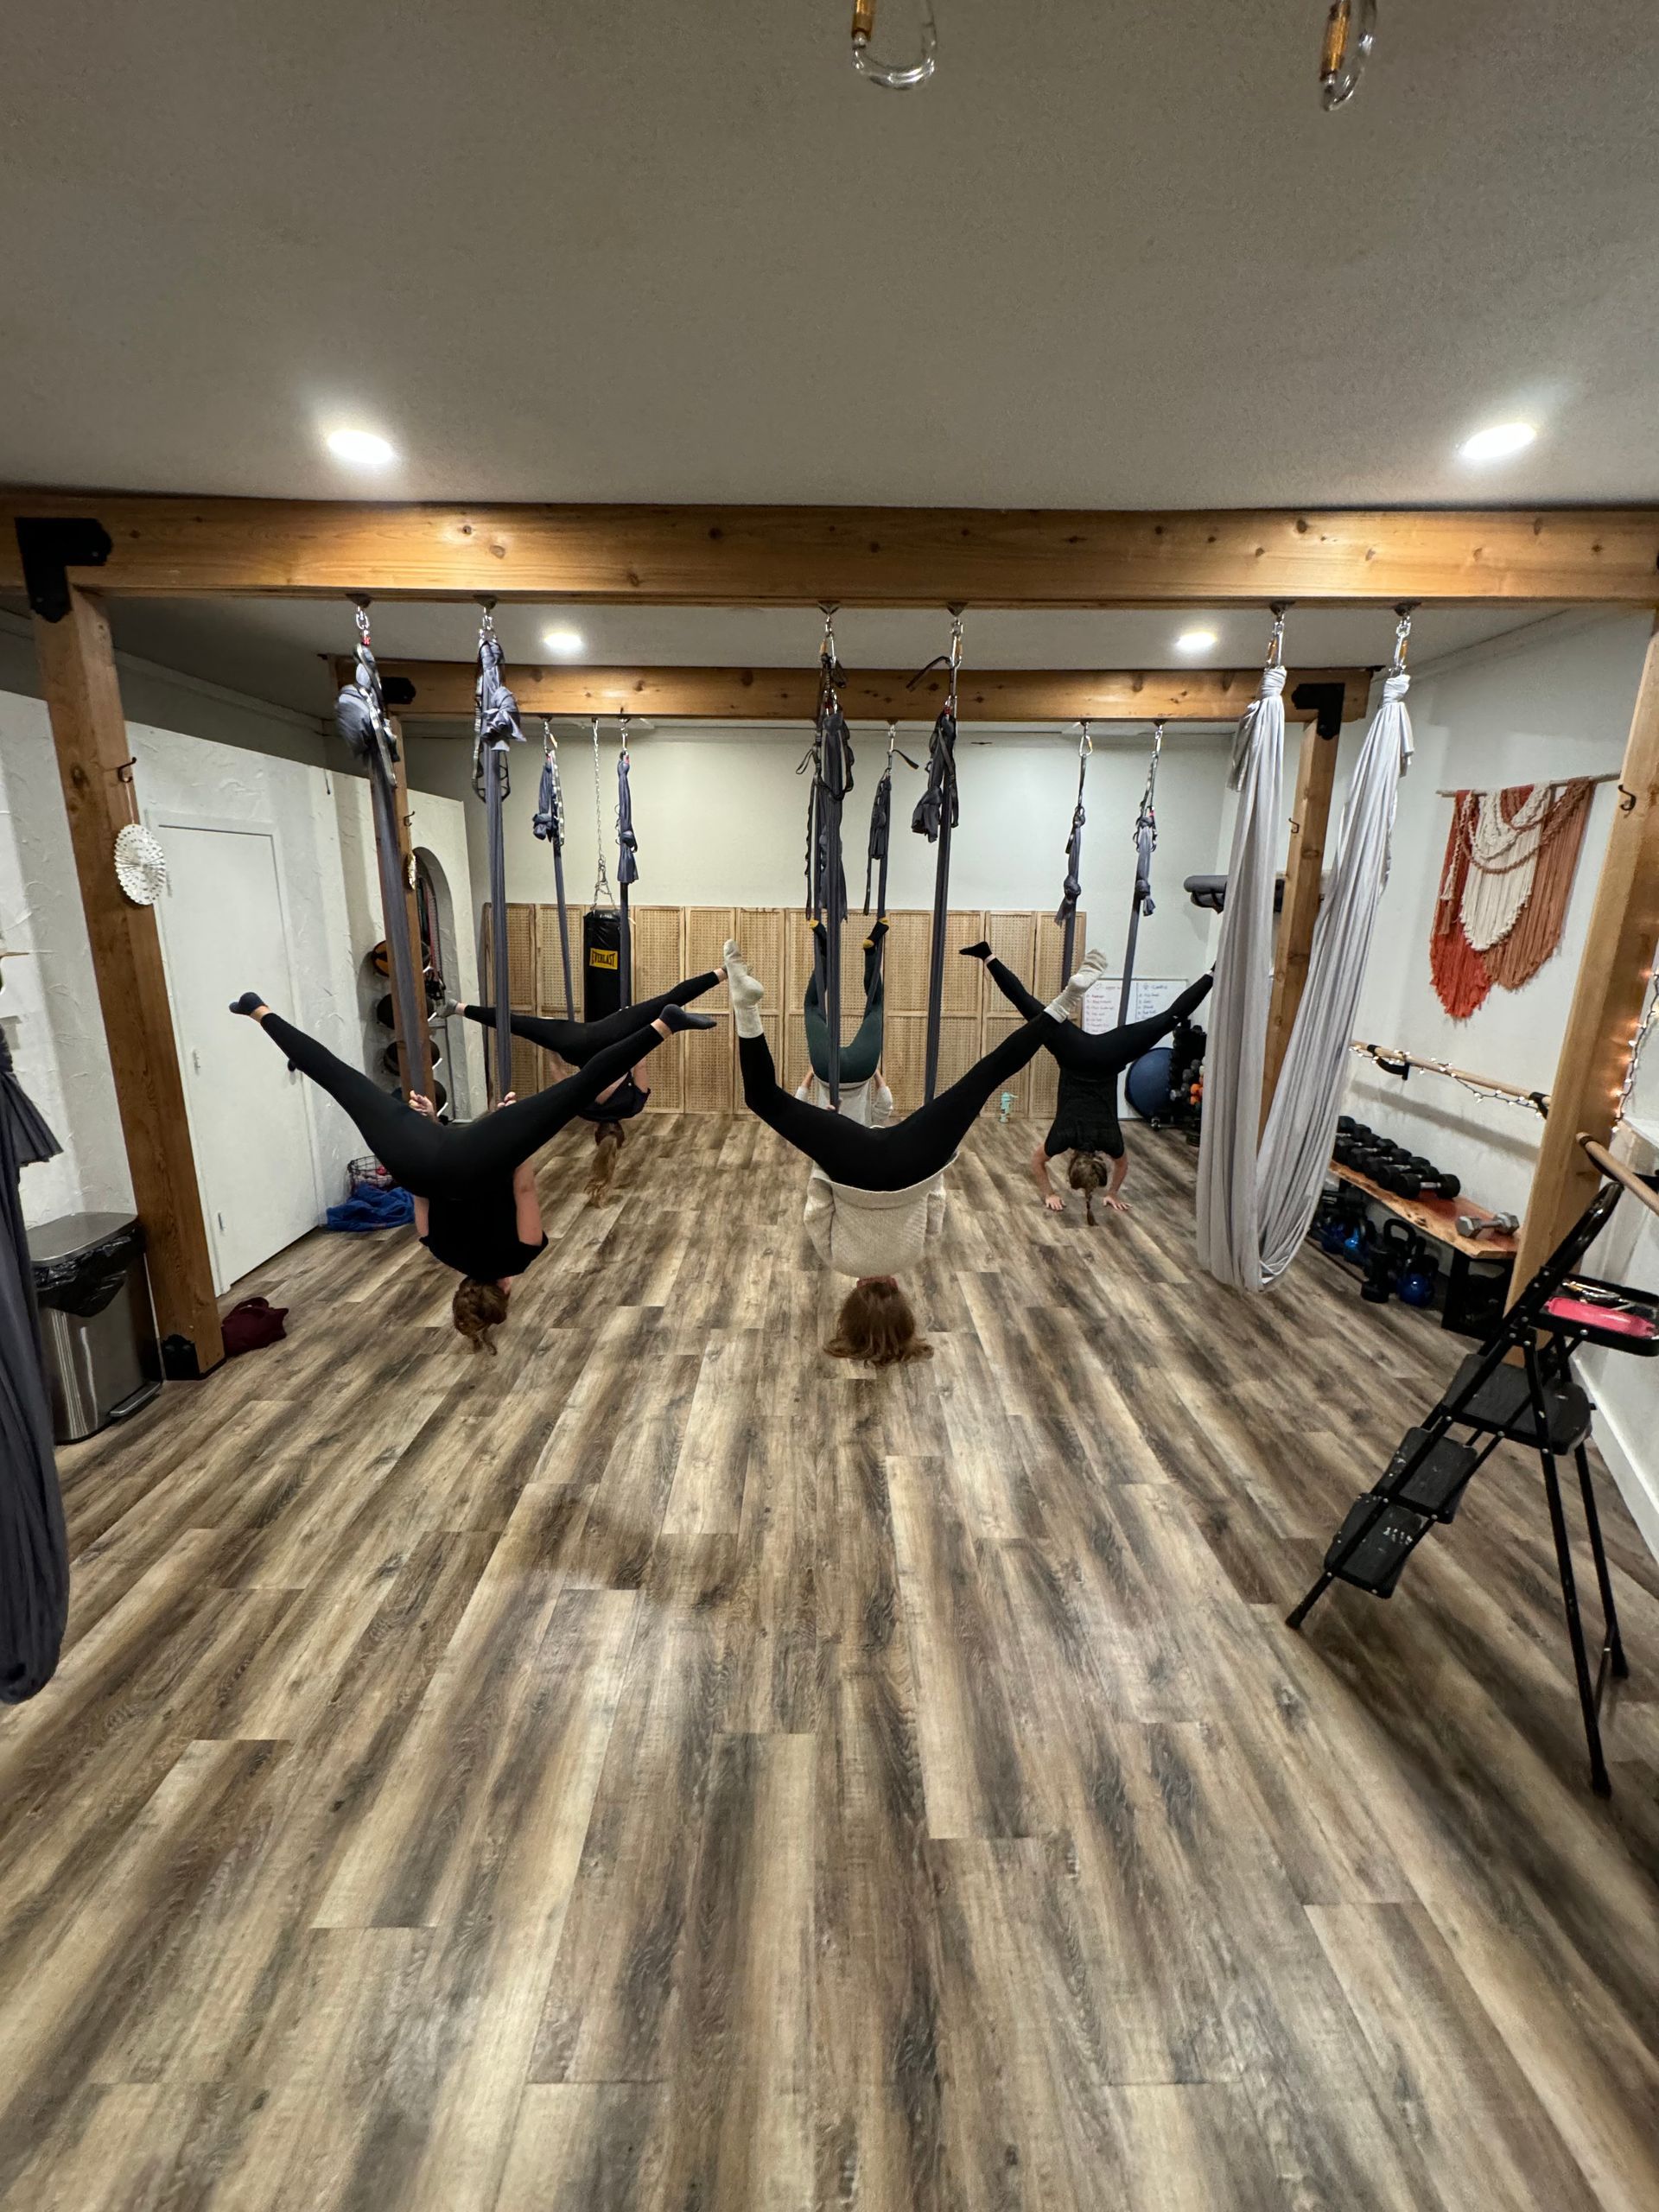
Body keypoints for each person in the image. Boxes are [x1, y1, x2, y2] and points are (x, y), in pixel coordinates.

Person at [230, 990, 715, 1351]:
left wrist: (511, 1128)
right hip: (417, 1163)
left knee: (578, 1089)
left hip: (481, 1159)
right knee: (340, 1080)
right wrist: (428, 1127)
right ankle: (259, 1010)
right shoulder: (440, 1250)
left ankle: (663, 1027)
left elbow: (523, 1186)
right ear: (464, 1289)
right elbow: (423, 1196)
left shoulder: (520, 1256)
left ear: (505, 1290)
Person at [726, 938, 1108, 1366]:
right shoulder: (839, 1261)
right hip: (849, 1164)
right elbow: (818, 1206)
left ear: (901, 1303)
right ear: (852, 1307)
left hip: (915, 1162)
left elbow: (935, 1204)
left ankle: (1066, 1000)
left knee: (985, 1076)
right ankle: (745, 1004)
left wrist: (929, 1155)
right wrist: (827, 1143)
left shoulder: (912, 1256)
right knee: (763, 1098)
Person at [960, 944, 1213, 1222]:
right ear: (1069, 1165)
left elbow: (1122, 1165)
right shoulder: (1061, 1138)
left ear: (1098, 1161)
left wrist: (1113, 1193)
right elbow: (1037, 1162)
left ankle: (1213, 973)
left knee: (1168, 1019)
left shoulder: (1111, 1143)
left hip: (1110, 1057)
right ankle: (988, 955)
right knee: (1029, 1007)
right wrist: (1049, 1193)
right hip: (1074, 1056)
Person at [450, 970, 720, 1205]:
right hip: (574, 1044)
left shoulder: (633, 1106)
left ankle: (722, 972)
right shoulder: (582, 1110)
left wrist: (634, 1028)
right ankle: (456, 1007)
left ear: (620, 1134)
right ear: (595, 1134)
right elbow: (559, 1074)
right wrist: (551, 1043)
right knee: (517, 1024)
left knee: (668, 999)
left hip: (615, 1037)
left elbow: (639, 1064)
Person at [796, 919, 891, 1127]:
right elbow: (799, 1103)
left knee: (876, 1007)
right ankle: (826, 953)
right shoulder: (819, 1129)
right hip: (826, 1070)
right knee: (812, 1007)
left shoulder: (867, 1130)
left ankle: (871, 950)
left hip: (861, 1067)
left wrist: (874, 1072)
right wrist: (810, 1075)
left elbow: (886, 1102)